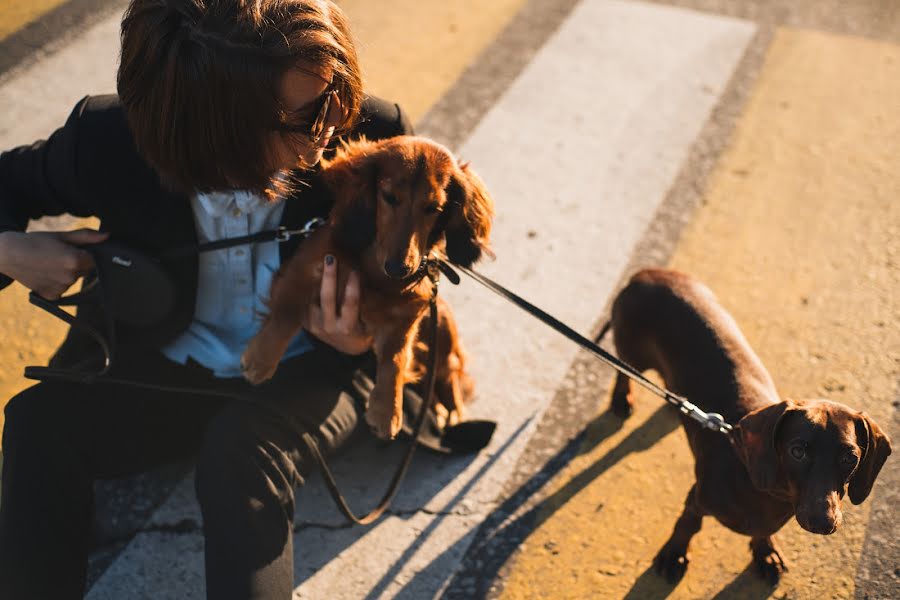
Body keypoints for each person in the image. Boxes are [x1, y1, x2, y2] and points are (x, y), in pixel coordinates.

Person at [0, 1, 416, 598]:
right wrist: (9, 249)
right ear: (211, 126)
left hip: (306, 375)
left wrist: (361, 339)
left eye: (337, 94)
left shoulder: (372, 134)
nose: (331, 130)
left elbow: (415, 280)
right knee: (36, 423)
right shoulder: (108, 139)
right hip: (161, 367)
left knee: (239, 457)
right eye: (304, 118)